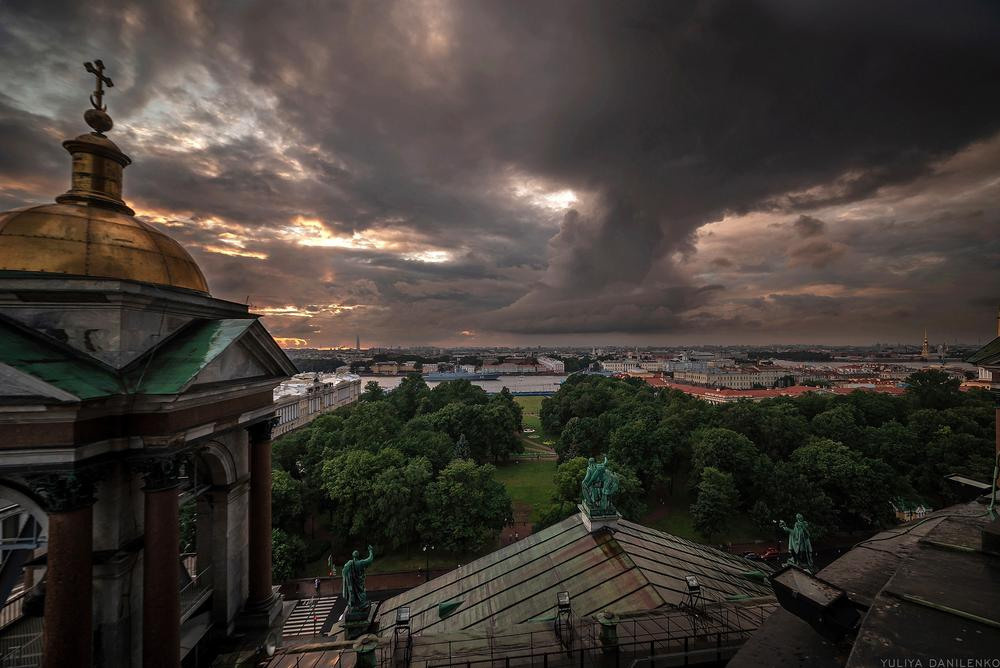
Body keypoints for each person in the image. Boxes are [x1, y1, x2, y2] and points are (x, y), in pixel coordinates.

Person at [342, 545, 375, 609]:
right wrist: (370, 551)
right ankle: (361, 604)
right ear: (358, 555)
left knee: (355, 594)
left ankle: (354, 605)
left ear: (353, 556)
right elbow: (370, 559)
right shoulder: (360, 563)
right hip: (359, 584)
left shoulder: (349, 564)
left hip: (352, 585)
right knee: (361, 594)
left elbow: (344, 572)